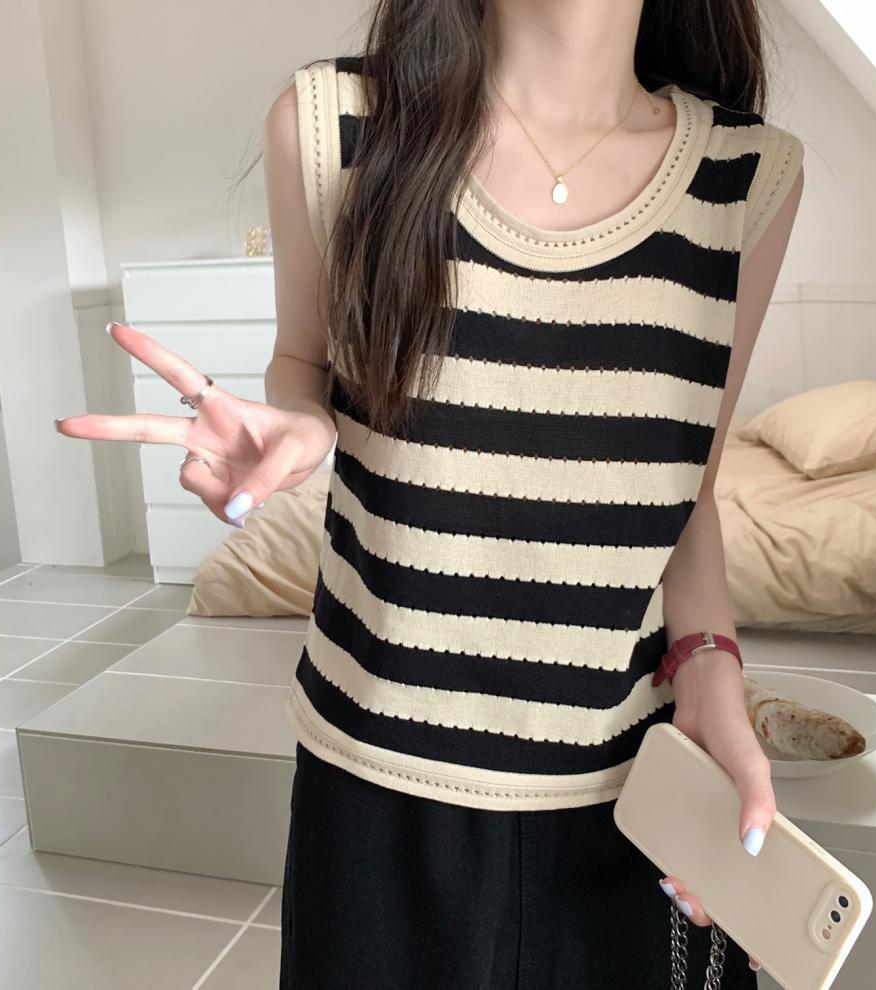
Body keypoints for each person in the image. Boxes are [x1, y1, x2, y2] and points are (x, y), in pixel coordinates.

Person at [56, 1, 805, 986]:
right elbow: (303, 361)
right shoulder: (330, 126)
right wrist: (304, 421)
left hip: (630, 801)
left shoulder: (749, 177)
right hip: (376, 805)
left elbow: (686, 485)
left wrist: (710, 667)